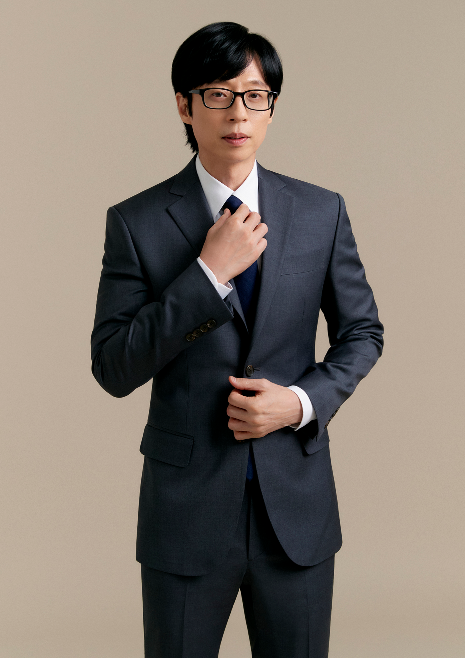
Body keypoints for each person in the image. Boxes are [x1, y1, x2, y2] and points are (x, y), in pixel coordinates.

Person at [91, 21, 384, 658]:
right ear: (185, 106)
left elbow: (362, 332)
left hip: (295, 511)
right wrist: (206, 275)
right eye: (219, 94)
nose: (238, 113)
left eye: (254, 95)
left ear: (271, 106)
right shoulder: (137, 223)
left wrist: (299, 403)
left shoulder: (320, 211)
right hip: (185, 513)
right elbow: (113, 366)